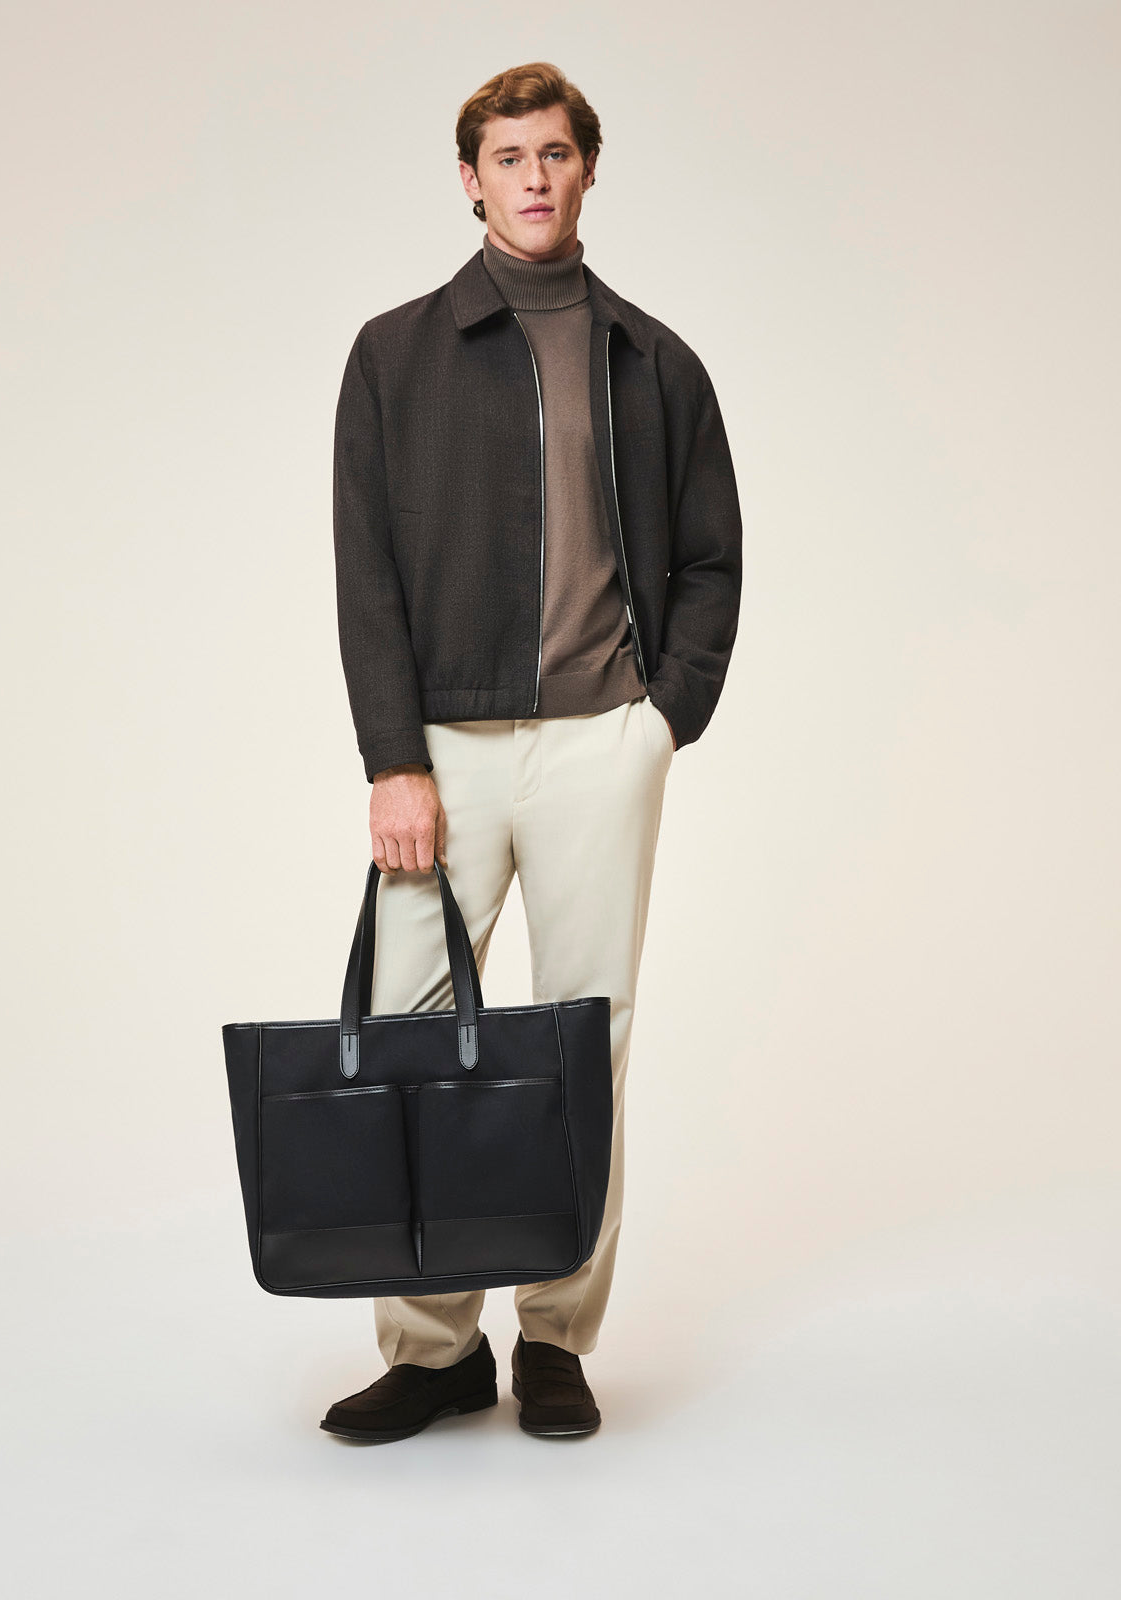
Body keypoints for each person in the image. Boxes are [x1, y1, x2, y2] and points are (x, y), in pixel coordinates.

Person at [321, 60, 742, 1443]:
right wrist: (393, 758)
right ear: (471, 180)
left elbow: (709, 559)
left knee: (582, 1044)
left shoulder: (653, 361)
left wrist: (660, 722)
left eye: (555, 152)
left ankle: (555, 1336)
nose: (535, 177)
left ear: (587, 168)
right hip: (442, 748)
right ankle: (434, 1346)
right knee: (409, 1037)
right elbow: (366, 573)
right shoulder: (395, 353)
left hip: (598, 743)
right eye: (508, 157)